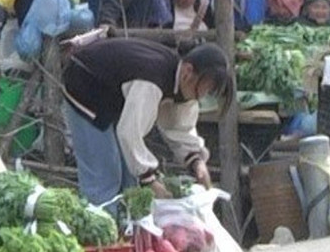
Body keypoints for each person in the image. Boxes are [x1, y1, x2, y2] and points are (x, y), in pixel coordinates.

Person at [61, 38, 231, 207]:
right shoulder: (151, 81)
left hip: (111, 94)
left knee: (131, 181)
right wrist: (150, 180)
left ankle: (128, 229)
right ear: (188, 72)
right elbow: (129, 133)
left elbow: (178, 127)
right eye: (205, 89)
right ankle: (101, 227)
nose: (202, 96)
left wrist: (196, 161)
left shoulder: (180, 81)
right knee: (105, 179)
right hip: (84, 86)